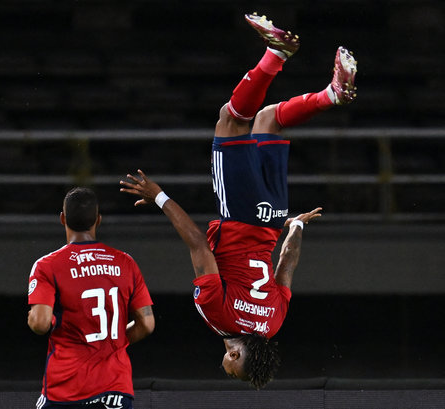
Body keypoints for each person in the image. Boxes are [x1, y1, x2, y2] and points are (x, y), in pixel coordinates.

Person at [120, 12, 357, 389]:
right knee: (229, 122)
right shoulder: (219, 318)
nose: (224, 363)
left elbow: (288, 261)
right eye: (229, 366)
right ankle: (276, 54)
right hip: (241, 213)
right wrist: (159, 196)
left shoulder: (274, 322)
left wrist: (294, 225)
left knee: (268, 120)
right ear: (235, 355)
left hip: (274, 216)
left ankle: (332, 94)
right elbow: (199, 245)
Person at [28, 187, 155, 408]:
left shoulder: (47, 266)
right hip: (115, 387)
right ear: (98, 220)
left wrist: (31, 317)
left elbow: (40, 324)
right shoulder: (125, 263)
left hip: (65, 389)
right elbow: (147, 324)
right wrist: (111, 341)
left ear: (62, 218)